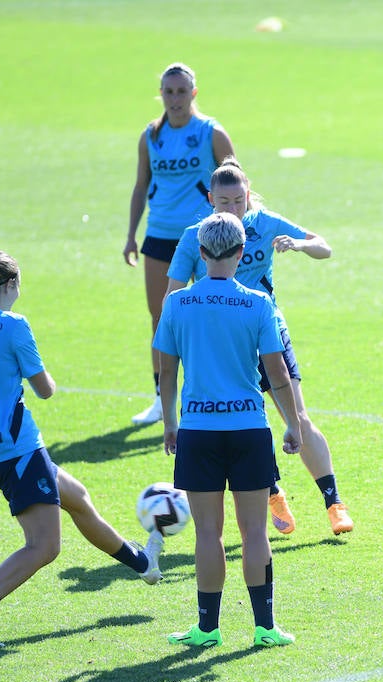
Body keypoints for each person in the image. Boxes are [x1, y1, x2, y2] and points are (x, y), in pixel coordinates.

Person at [0, 252, 163, 649]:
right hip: (19, 450)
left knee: (78, 498)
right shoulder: (14, 325)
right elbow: (45, 389)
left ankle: (143, 564)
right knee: (45, 545)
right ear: (11, 285)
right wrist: (39, 373)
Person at [164, 157, 352, 537]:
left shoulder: (264, 223)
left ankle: (333, 502)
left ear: (248, 194)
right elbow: (173, 296)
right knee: (244, 418)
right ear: (209, 199)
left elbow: (325, 247)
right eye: (224, 202)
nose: (233, 208)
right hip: (222, 343)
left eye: (239, 200)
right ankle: (273, 491)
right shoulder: (198, 236)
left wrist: (298, 244)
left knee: (296, 415)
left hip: (267, 331)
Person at [153, 213, 304, 649]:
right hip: (248, 431)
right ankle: (265, 627)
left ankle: (206, 628)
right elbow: (275, 372)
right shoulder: (259, 304)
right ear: (240, 254)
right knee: (254, 532)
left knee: (207, 534)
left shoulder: (177, 304)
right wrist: (292, 424)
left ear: (201, 254)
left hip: (198, 432)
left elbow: (166, 370)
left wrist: (170, 423)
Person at [123, 62, 235, 427]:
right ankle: (161, 399)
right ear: (161, 94)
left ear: (194, 93)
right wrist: (130, 236)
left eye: (181, 91)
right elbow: (141, 186)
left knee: (213, 313)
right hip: (159, 235)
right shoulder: (151, 137)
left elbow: (237, 184)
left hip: (206, 238)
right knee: (162, 318)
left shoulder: (211, 133)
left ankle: (214, 391)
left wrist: (238, 228)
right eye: (168, 92)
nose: (174, 99)